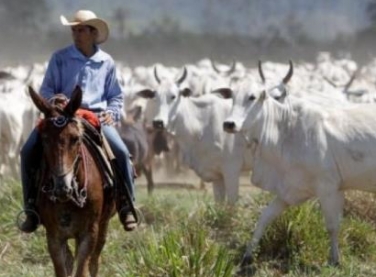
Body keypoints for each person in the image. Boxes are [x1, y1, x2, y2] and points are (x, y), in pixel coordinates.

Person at [19, 10, 137, 233]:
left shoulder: (106, 62)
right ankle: (31, 209)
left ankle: (126, 206)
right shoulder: (59, 58)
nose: (76, 34)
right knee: (27, 152)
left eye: (81, 30)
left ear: (93, 33)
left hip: (96, 118)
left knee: (121, 153)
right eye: (74, 30)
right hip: (62, 118)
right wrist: (56, 100)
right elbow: (46, 90)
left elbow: (115, 96)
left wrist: (112, 112)